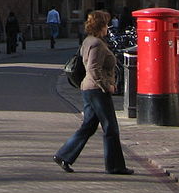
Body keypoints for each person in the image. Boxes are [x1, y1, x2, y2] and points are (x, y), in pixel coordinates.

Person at [52, 10, 133, 176]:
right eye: (106, 24)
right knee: (111, 127)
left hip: (89, 89)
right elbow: (93, 69)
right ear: (100, 26)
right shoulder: (96, 44)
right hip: (97, 90)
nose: (108, 27)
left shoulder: (89, 41)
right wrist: (107, 86)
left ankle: (63, 156)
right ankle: (115, 166)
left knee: (88, 126)